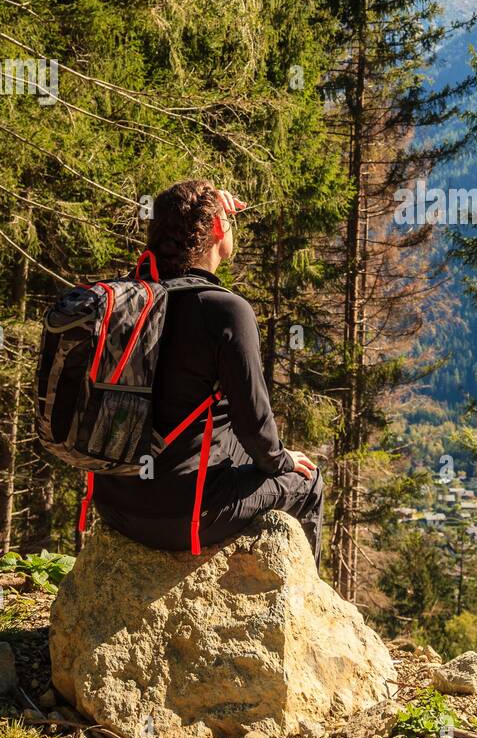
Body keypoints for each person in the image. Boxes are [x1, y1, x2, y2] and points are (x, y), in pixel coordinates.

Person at [92, 179, 323, 563]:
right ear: (217, 228)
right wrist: (282, 462)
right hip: (183, 515)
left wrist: (201, 205)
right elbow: (256, 426)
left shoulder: (130, 299)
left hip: (115, 504)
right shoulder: (226, 311)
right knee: (308, 480)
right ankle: (307, 605)